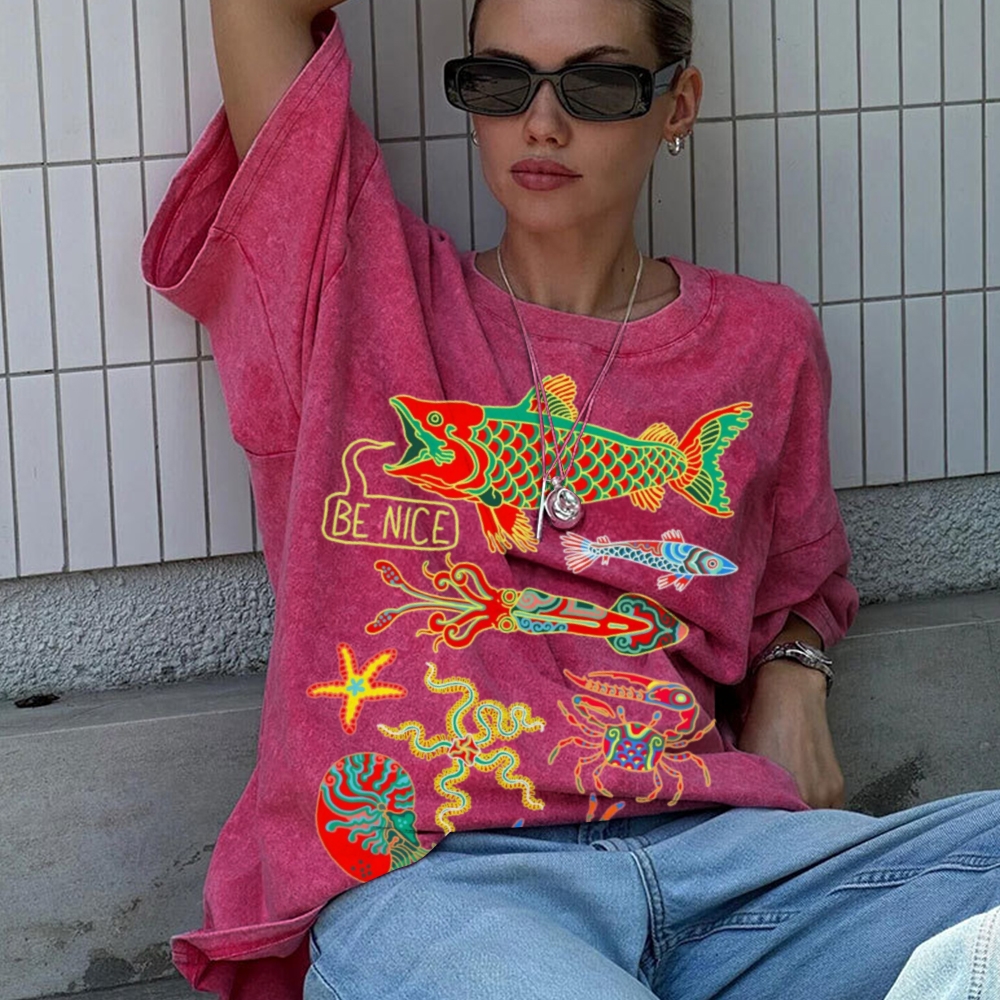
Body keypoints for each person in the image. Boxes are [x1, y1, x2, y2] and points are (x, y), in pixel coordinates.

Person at [139, 1, 999, 998]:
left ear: (677, 105)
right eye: (500, 82)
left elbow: (801, 580)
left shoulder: (765, 341)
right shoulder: (355, 291)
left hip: (725, 861)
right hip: (445, 879)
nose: (541, 124)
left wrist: (794, 675)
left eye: (594, 85)